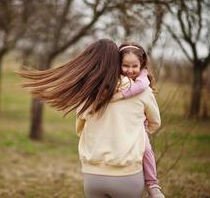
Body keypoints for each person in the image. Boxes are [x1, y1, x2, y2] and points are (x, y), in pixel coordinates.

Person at [19, 39, 161, 198]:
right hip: (126, 174)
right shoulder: (142, 91)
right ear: (116, 62)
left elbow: (79, 129)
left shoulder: (88, 94)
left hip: (92, 175)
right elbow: (155, 123)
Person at [109, 42, 165, 198]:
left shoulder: (142, 81)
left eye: (134, 66)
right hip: (115, 129)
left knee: (146, 149)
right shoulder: (113, 79)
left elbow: (139, 89)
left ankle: (152, 184)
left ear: (142, 65)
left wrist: (144, 130)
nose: (130, 70)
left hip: (139, 128)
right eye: (125, 65)